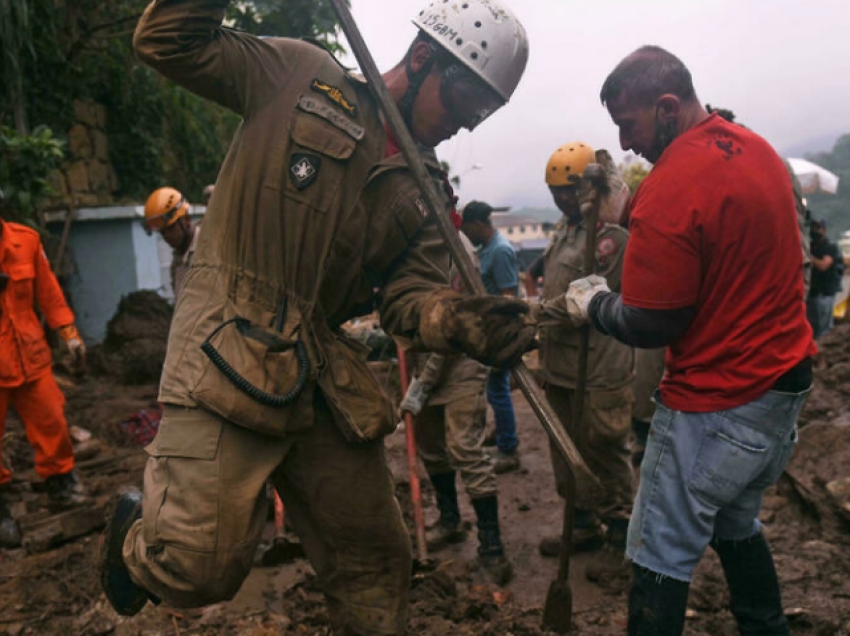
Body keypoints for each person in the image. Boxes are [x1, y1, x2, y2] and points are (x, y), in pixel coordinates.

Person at [99, 2, 533, 634]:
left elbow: (408, 301)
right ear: (421, 59)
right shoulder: (298, 76)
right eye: (468, 100)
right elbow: (166, 40)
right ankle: (137, 541)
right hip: (228, 342)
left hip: (319, 370)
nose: (468, 124)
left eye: (484, 112)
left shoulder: (428, 193)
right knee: (196, 572)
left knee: (375, 562)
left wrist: (460, 318)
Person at [551, 46, 815, 635]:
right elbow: (704, 221)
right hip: (778, 390)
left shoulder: (674, 184)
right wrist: (626, 207)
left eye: (629, 125)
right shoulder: (755, 150)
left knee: (658, 550)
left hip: (715, 402)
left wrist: (592, 302)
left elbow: (652, 322)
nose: (623, 143)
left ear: (667, 107)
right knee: (735, 523)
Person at [532, 142, 635, 583]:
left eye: (569, 191)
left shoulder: (610, 237)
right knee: (564, 448)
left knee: (604, 450)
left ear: (588, 189)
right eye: (555, 191)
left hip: (598, 370)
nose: (561, 199)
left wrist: (532, 317)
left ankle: (621, 539)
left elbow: (585, 299)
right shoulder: (568, 231)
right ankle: (582, 525)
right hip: (560, 365)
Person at [400, 233, 511, 584]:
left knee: (465, 448)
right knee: (432, 449)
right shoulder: (406, 244)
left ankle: (492, 548)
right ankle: (450, 520)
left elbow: (450, 328)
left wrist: (423, 383)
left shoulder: (452, 245)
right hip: (422, 363)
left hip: (460, 362)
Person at [0, 194, 88, 549]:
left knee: (51, 418)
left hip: (30, 354)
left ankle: (60, 481)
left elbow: (50, 296)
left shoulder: (27, 242)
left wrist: (68, 333)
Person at [460, 200, 522, 474]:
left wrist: (502, 335)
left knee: (498, 391)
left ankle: (508, 449)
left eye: (467, 228)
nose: (466, 234)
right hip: (489, 331)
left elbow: (509, 295)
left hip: (500, 331)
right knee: (495, 390)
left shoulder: (500, 251)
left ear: (477, 225)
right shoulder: (487, 249)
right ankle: (502, 437)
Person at [142, 187, 200, 299]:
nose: (166, 236)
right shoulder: (177, 263)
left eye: (171, 228)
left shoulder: (209, 250)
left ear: (186, 219)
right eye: (162, 232)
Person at [807, 219, 843, 339]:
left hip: (824, 293)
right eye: (812, 228)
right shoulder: (810, 246)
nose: (814, 231)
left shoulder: (830, 247)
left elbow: (823, 265)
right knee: (813, 328)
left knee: (824, 330)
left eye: (818, 228)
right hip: (812, 293)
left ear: (824, 230)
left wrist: (809, 257)